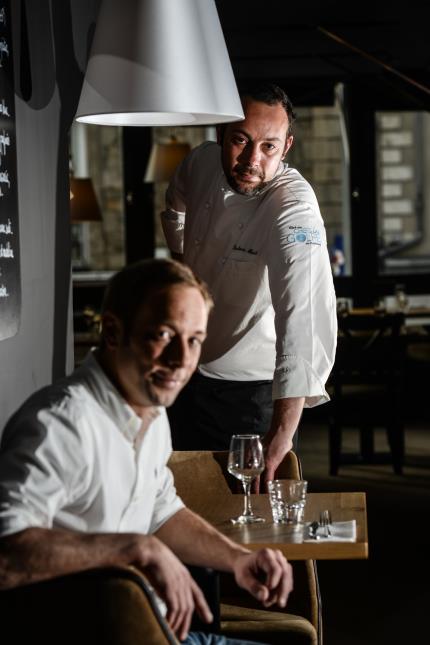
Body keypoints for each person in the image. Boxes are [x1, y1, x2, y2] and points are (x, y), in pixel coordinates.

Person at [0, 258, 293, 645]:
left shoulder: (152, 411)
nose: (182, 360)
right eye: (163, 335)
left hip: (157, 628)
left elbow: (161, 510)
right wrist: (136, 548)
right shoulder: (60, 423)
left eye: (194, 340)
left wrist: (236, 559)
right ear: (112, 332)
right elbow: (5, 555)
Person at [161, 83, 337, 486]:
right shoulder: (201, 163)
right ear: (220, 134)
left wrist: (282, 433)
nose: (252, 160)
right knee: (178, 504)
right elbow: (174, 209)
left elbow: (304, 315)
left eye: (269, 147)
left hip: (249, 397)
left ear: (286, 146)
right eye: (240, 140)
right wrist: (182, 268)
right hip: (187, 375)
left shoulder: (293, 206)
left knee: (246, 522)